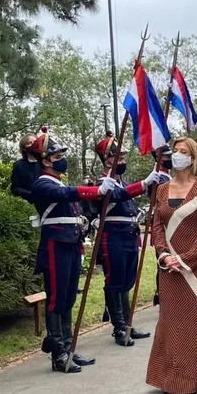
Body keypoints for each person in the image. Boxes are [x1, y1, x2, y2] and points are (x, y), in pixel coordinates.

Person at [28, 130, 165, 373]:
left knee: (69, 297)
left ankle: (68, 349)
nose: (61, 158)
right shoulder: (42, 183)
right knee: (57, 299)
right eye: (57, 154)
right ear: (45, 160)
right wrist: (97, 190)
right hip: (55, 246)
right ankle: (58, 353)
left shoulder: (58, 181)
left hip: (70, 244)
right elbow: (66, 194)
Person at [147, 138, 197, 394]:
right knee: (169, 322)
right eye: (175, 151)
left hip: (192, 268)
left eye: (183, 152)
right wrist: (164, 255)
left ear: (193, 157)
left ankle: (190, 378)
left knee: (193, 322)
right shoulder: (162, 190)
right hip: (168, 268)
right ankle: (168, 376)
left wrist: (186, 258)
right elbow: (156, 226)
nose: (177, 155)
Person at [92, 135, 160, 346]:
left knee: (127, 281)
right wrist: (144, 183)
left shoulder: (124, 183)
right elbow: (117, 196)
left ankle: (127, 323)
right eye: (118, 157)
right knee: (115, 281)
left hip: (130, 236)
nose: (122, 160)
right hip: (112, 237)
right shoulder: (103, 184)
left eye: (122, 156)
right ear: (108, 160)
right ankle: (119, 327)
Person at [11, 133, 42, 202]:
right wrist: (30, 195)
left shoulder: (45, 163)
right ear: (24, 148)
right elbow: (15, 188)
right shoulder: (18, 165)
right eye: (30, 143)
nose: (34, 144)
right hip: (28, 204)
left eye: (35, 142)